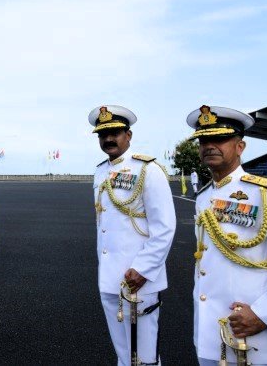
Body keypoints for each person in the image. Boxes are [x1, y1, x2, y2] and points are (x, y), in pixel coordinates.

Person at [186, 105, 267, 366]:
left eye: (219, 138)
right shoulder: (204, 197)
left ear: (240, 147)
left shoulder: (266, 196)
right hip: (210, 335)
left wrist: (264, 314)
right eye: (203, 140)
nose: (209, 145)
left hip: (252, 338)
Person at [89, 105, 176, 366]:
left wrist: (143, 269)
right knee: (124, 354)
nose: (108, 139)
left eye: (115, 132)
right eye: (103, 134)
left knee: (144, 356)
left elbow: (165, 226)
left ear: (128, 135)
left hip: (139, 279)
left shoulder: (148, 170)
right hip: (109, 277)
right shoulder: (100, 170)